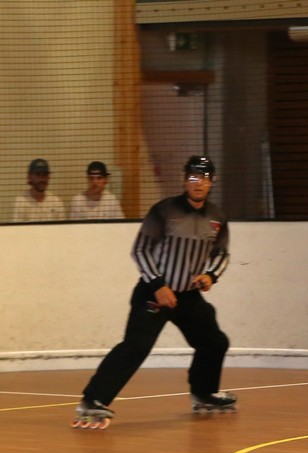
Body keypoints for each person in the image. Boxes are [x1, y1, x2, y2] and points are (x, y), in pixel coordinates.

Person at [72, 155, 235, 430]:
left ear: (212, 182)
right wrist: (158, 285)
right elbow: (140, 250)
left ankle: (204, 393)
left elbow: (221, 253)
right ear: (184, 179)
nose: (198, 183)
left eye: (205, 178)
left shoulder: (217, 218)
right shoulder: (164, 211)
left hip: (188, 296)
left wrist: (210, 275)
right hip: (154, 293)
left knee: (214, 342)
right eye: (193, 177)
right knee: (136, 346)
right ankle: (93, 400)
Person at [10, 158, 65, 223]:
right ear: (29, 177)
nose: (42, 179)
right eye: (38, 175)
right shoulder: (20, 202)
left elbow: (62, 228)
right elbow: (17, 228)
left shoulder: (56, 202)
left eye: (45, 175)